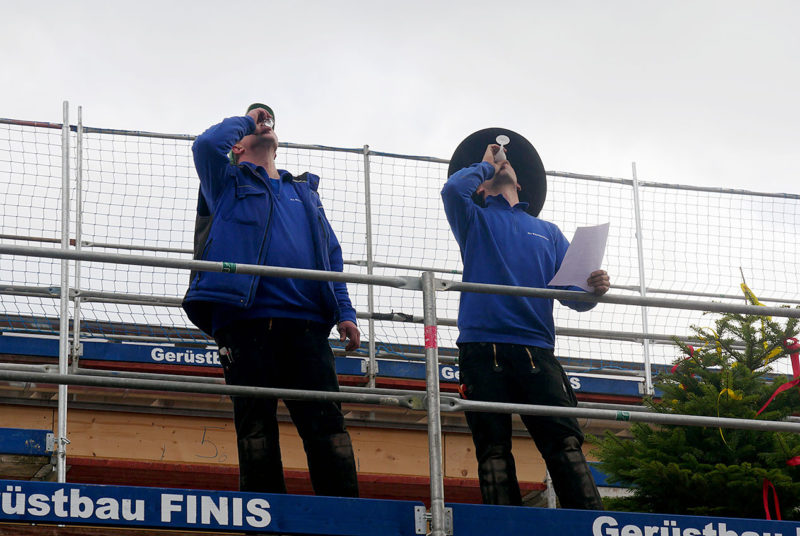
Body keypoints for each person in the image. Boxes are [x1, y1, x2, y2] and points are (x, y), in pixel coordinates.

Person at [183, 103, 360, 498]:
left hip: (307, 326)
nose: (262, 126)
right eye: (250, 129)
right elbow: (205, 146)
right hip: (245, 322)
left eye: (265, 124)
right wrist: (250, 119)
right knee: (256, 427)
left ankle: (346, 516)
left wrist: (345, 312)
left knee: (328, 427)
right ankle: (263, 520)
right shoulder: (226, 183)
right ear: (239, 149)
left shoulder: (305, 194)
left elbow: (331, 255)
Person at [441, 142, 609, 509]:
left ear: (521, 183)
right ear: (481, 187)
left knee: (565, 443)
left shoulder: (547, 231)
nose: (503, 162)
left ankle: (591, 525)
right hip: (482, 348)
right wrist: (484, 166)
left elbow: (574, 297)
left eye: (507, 162)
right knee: (493, 449)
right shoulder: (474, 218)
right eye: (495, 163)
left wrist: (594, 287)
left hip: (537, 350)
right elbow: (453, 189)